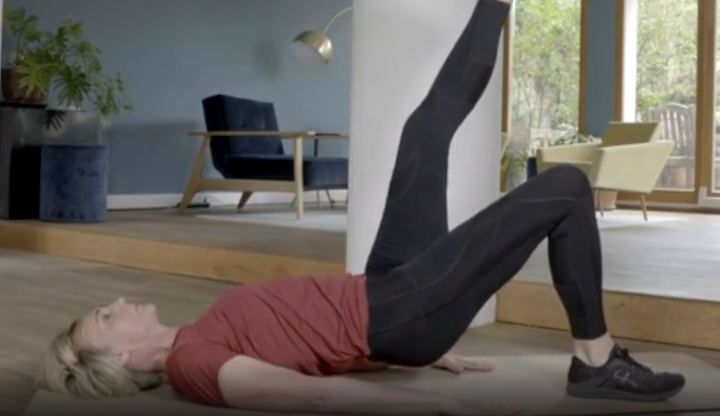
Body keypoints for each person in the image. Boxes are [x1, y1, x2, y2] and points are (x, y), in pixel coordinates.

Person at [39, 0, 686, 414]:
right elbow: (300, 392)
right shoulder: (191, 364)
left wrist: (412, 355)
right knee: (565, 186)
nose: (116, 302)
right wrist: (421, 400)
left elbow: (308, 346)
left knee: (422, 131)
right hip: (396, 310)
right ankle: (596, 361)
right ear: (120, 358)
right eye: (106, 316)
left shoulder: (196, 333)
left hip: (382, 293)